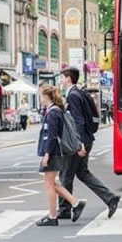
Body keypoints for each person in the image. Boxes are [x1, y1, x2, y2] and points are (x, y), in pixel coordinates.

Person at [58, 67, 121, 220]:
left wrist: (78, 144)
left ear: (68, 78)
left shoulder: (73, 95)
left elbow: (78, 120)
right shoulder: (78, 92)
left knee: (65, 175)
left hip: (79, 142)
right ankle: (110, 198)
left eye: (62, 77)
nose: (61, 80)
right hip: (87, 139)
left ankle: (65, 209)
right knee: (82, 173)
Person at [35, 85, 86, 226]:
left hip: (53, 152)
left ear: (46, 96)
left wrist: (47, 154)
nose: (40, 98)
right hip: (56, 152)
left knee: (49, 184)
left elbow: (51, 136)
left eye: (41, 95)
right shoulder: (56, 111)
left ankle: (52, 216)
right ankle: (75, 203)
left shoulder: (52, 113)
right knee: (51, 183)